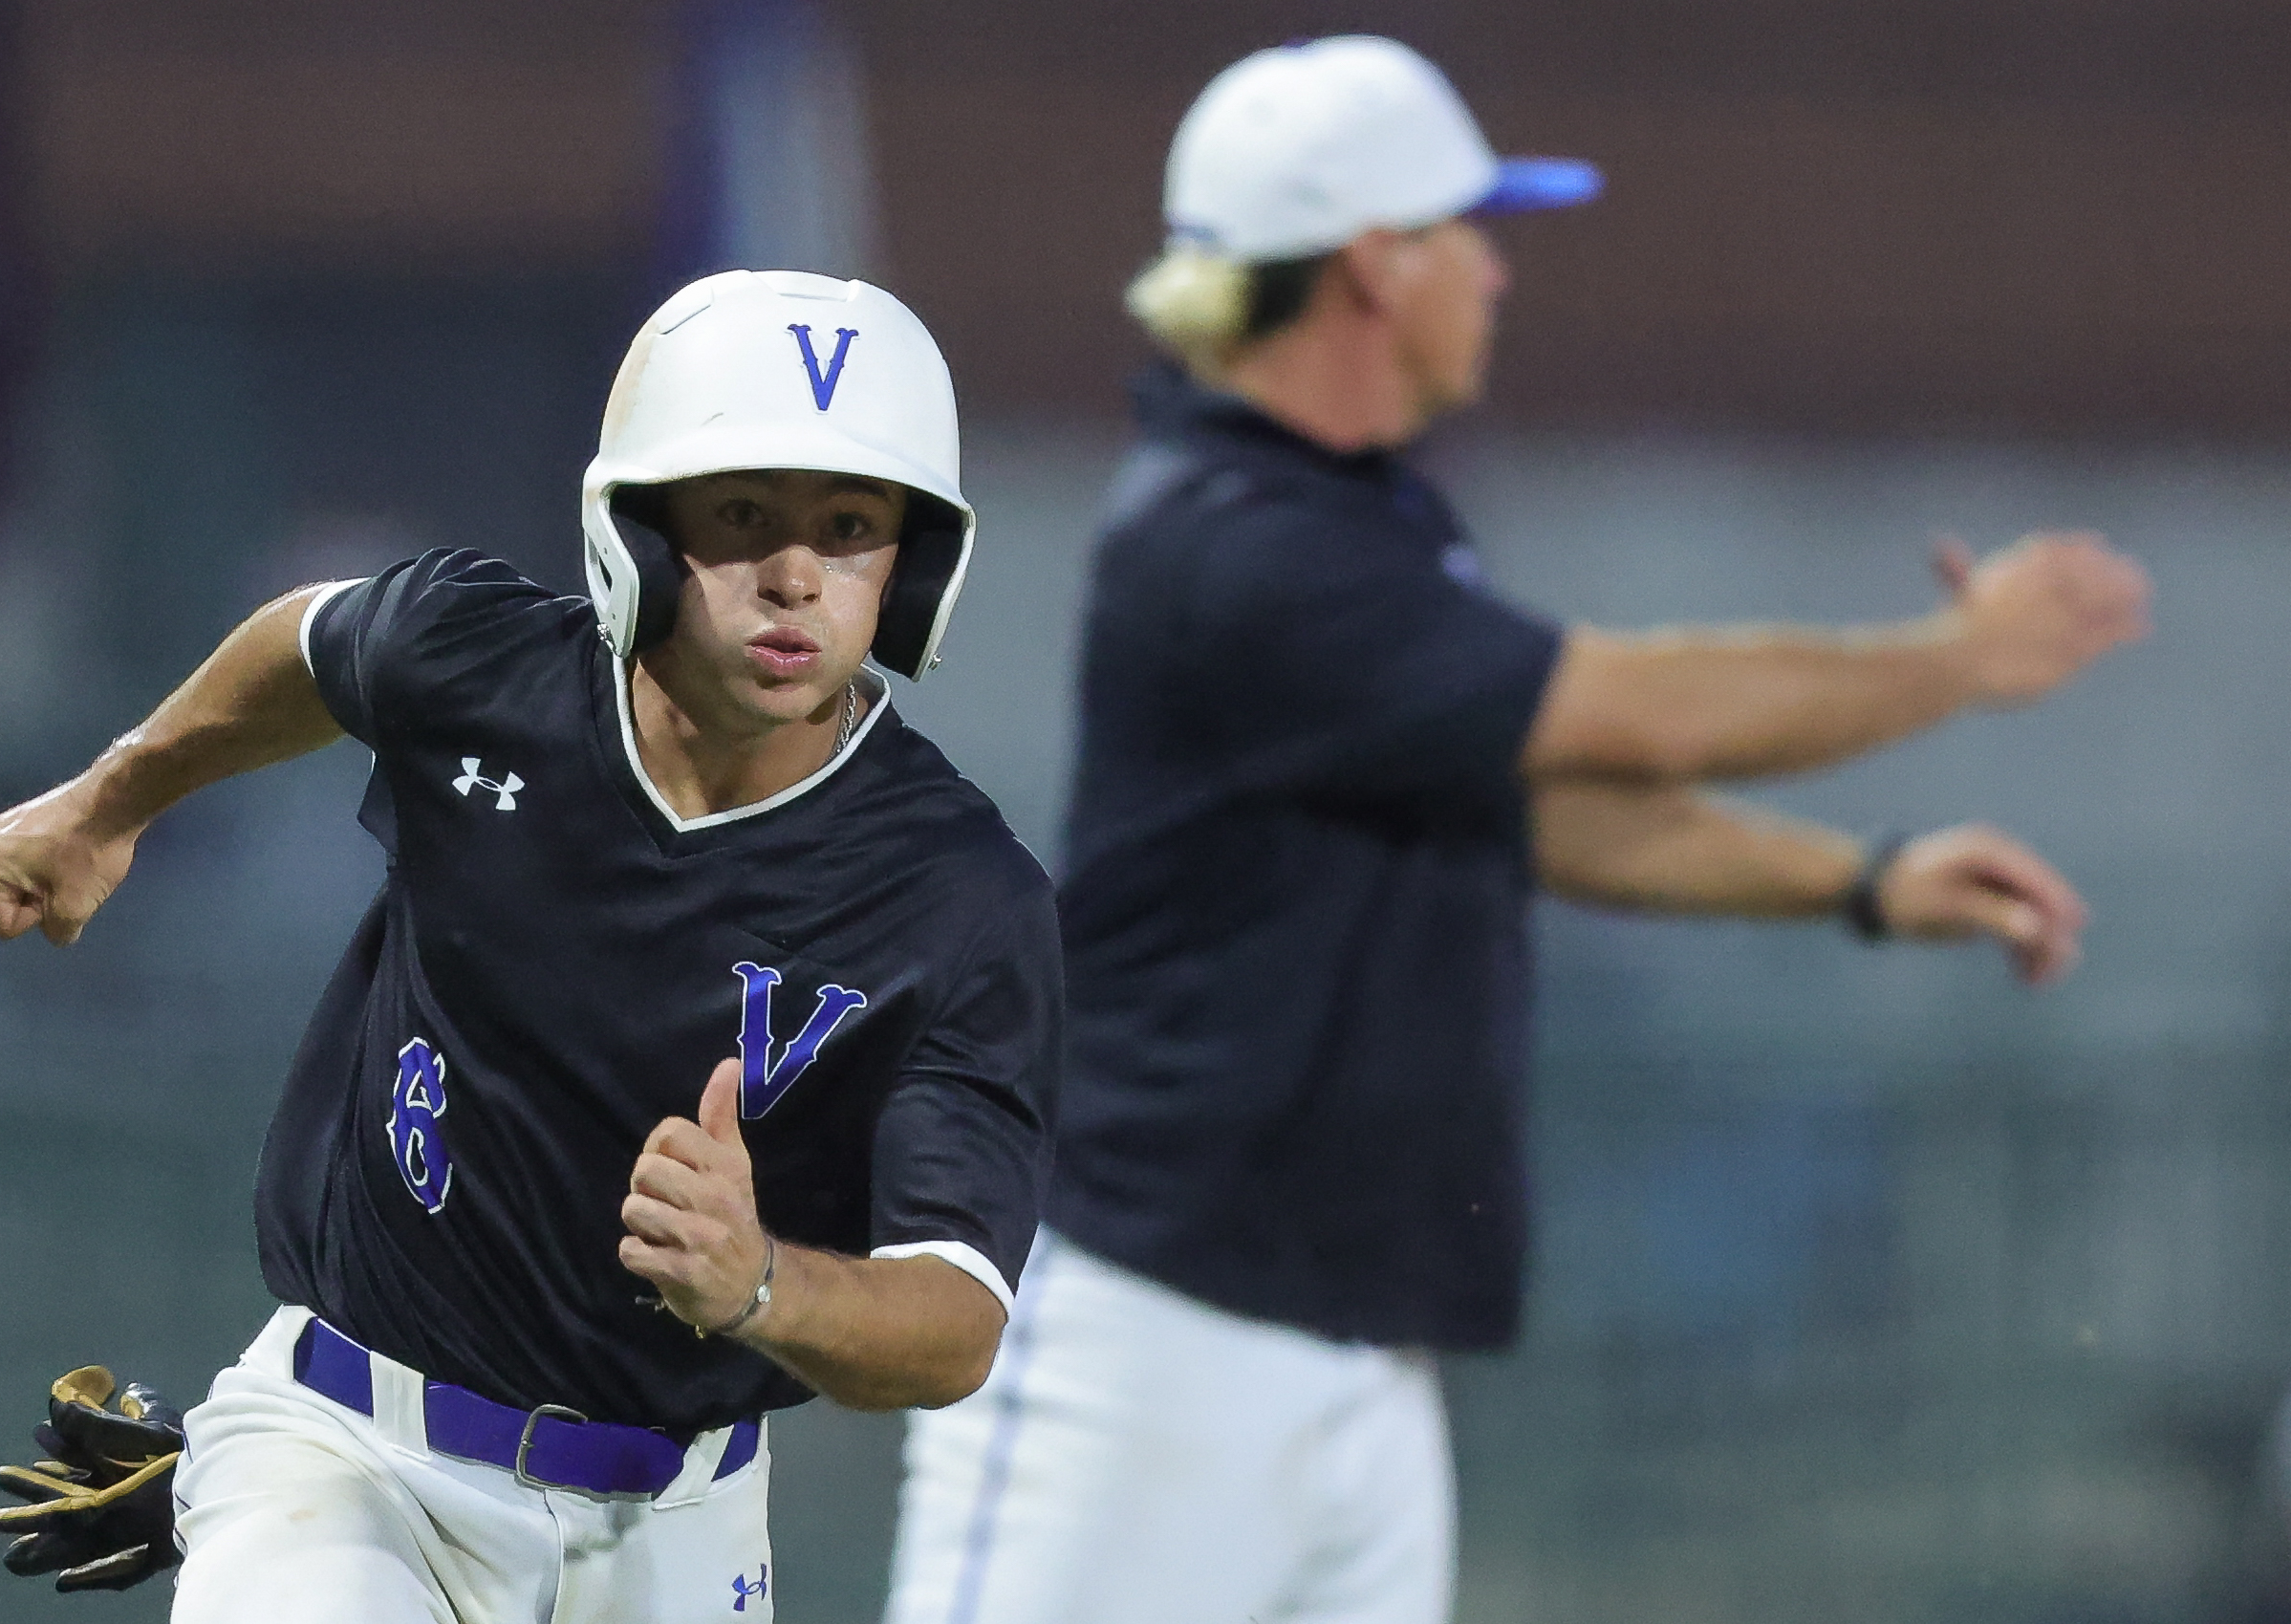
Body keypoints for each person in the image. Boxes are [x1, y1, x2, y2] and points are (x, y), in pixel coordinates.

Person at [884, 35, 2151, 1624]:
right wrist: (1957, 661)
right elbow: (1632, 715)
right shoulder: (1229, 545)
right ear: (1373, 267)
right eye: (1469, 230)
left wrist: (1866, 881)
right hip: (1150, 1348)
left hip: (1362, 1356)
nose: (1495, 270)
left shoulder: (1366, 526)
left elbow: (1545, 802)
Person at [0, 269, 1062, 1622]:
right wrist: (110, 798)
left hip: (684, 1521)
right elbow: (311, 645)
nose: (794, 575)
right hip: (355, 1455)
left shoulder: (959, 896)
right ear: (643, 532)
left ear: (913, 565)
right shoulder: (480, 664)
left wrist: (762, 1283)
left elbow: (953, 1319)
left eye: (849, 526)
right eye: (741, 516)